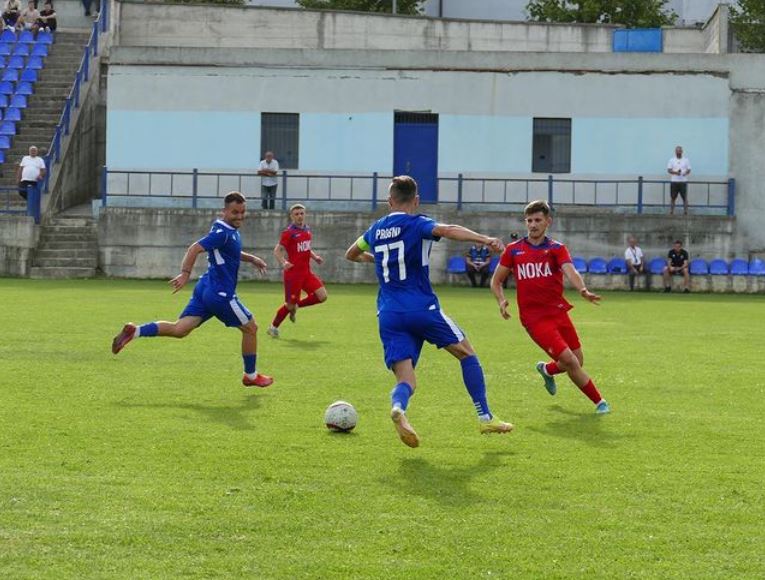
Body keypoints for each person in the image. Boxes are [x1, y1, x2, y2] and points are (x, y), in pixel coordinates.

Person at [345, 175, 513, 448]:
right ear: (416, 200)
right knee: (466, 353)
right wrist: (484, 239)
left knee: (406, 378)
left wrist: (375, 258)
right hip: (422, 307)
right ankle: (485, 416)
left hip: (388, 313)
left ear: (389, 201)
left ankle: (399, 407)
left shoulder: (375, 230)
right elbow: (447, 230)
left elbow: (350, 253)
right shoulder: (417, 222)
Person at [111, 192, 274, 388]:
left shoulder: (223, 228)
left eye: (242, 212)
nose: (239, 216)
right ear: (224, 211)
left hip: (206, 288)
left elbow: (230, 250)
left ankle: (135, 331)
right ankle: (250, 375)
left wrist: (252, 259)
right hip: (221, 294)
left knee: (180, 329)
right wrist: (185, 273)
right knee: (251, 328)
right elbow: (194, 248)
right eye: (235, 212)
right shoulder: (223, 233)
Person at [490, 200, 610, 415]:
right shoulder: (513, 250)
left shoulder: (556, 249)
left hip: (558, 312)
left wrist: (582, 290)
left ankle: (546, 369)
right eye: (529, 220)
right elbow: (496, 281)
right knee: (570, 361)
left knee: (577, 360)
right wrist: (501, 300)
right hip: (534, 318)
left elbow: (570, 270)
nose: (533, 225)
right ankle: (600, 402)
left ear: (548, 222)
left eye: (538, 220)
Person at [267, 203, 327, 338]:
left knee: (322, 296)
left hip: (306, 273)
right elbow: (277, 250)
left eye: (301, 213)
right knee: (289, 306)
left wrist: (315, 257)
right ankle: (273, 327)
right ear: (291, 216)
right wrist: (284, 262)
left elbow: (306, 248)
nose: (300, 216)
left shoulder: (307, 230)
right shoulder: (288, 233)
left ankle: (296, 306)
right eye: (296, 214)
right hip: (293, 275)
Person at [667, 145, 691, 215]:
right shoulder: (671, 160)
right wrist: (676, 173)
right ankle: (671, 211)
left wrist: (685, 173)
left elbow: (689, 169)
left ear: (682, 152)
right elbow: (669, 170)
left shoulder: (686, 160)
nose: (678, 152)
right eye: (677, 151)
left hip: (683, 182)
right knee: (673, 198)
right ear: (675, 152)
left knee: (685, 198)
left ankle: (685, 212)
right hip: (674, 181)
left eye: (680, 151)